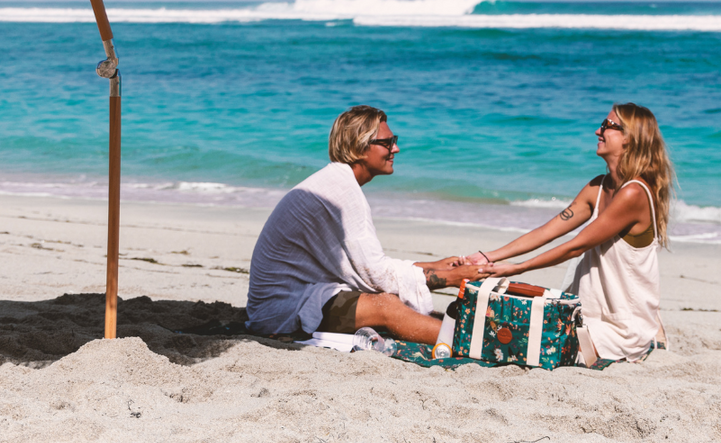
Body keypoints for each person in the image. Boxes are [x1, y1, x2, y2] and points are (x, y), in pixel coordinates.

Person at [246, 105, 479, 344]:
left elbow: (364, 267)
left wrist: (434, 266)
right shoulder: (341, 190)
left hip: (289, 300)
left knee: (388, 301)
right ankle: (471, 344)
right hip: (281, 312)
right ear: (358, 147)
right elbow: (376, 275)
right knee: (386, 306)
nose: (396, 149)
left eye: (394, 141)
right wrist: (450, 278)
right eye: (387, 143)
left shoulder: (337, 180)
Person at [464, 103, 672, 361]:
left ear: (629, 138)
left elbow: (576, 246)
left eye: (608, 126)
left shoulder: (634, 193)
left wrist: (515, 268)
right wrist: (489, 256)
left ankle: (651, 336)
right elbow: (548, 231)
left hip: (622, 328)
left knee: (525, 345)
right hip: (587, 315)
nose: (598, 131)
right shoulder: (598, 186)